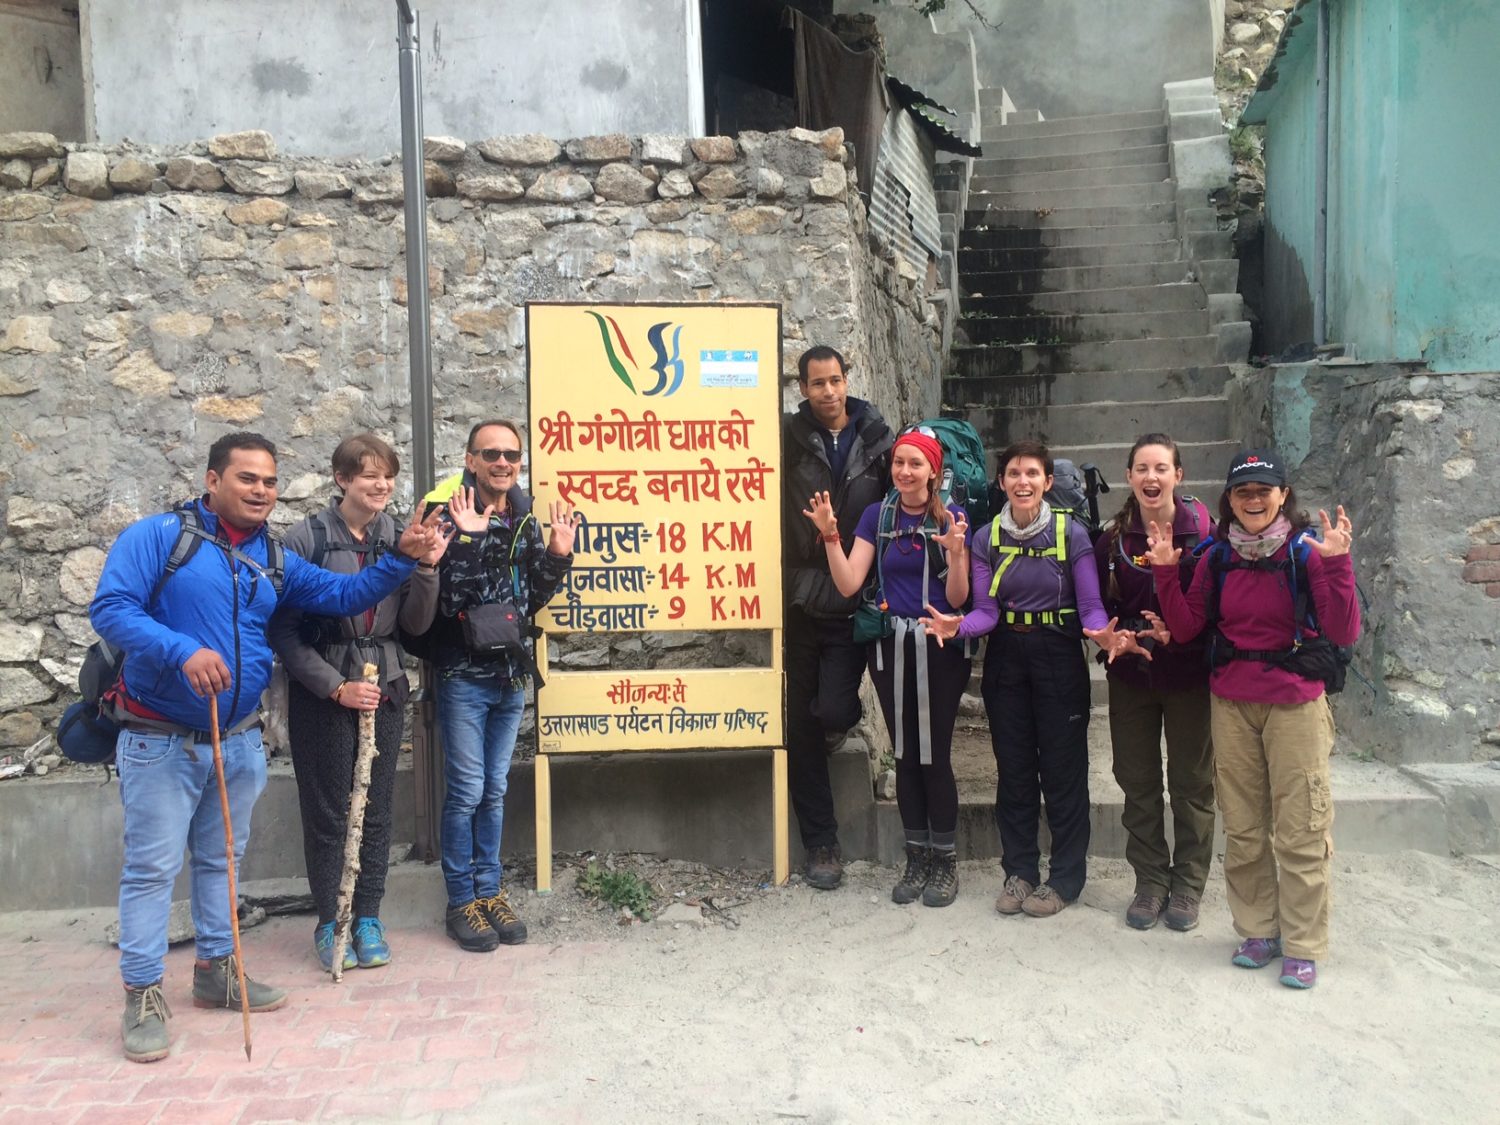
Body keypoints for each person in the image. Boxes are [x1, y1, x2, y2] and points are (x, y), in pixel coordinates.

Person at [91, 432, 446, 1064]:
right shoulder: (159, 538)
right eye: (247, 479)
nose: (261, 491)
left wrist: (402, 560)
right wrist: (182, 650)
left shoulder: (275, 558)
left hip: (238, 738)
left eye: (269, 481)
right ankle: (142, 994)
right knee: (150, 870)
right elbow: (112, 609)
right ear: (212, 480)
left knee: (222, 863)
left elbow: (341, 597)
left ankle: (216, 971)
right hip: (159, 738)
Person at [1147, 448, 1359, 989]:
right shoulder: (1220, 556)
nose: (1255, 499)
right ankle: (1258, 929)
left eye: (1264, 490)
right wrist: (1168, 574)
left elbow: (1342, 631)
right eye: (1244, 491)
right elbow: (1189, 626)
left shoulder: (1308, 553)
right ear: (1231, 500)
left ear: (1283, 495)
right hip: (1233, 701)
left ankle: (1304, 941)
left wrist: (1338, 564)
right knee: (1243, 826)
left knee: (1302, 827)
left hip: (1295, 702)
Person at [923, 440, 1126, 919]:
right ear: (1002, 482)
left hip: (1058, 653)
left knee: (1063, 771)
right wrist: (956, 628)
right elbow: (986, 613)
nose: (1022, 481)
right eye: (1013, 473)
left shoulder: (1072, 534)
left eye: (1032, 473)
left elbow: (1092, 604)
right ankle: (1019, 872)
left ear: (1047, 481)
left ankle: (1065, 878)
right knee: (1013, 771)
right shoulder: (985, 538)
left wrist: (1100, 632)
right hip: (1007, 658)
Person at [269, 433, 450, 972]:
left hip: (386, 683)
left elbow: (415, 627)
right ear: (342, 479)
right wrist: (334, 686)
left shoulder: (400, 535)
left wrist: (426, 570)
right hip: (324, 689)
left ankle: (368, 916)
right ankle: (332, 920)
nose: (381, 484)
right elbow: (284, 631)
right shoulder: (308, 539)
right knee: (327, 810)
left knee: (376, 807)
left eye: (387, 475)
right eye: (368, 474)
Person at [420, 419, 576, 953]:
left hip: (510, 676)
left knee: (495, 789)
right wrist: (468, 540)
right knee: (466, 792)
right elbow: (450, 602)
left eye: (511, 454)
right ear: (470, 460)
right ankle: (461, 900)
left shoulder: (525, 518)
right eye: (491, 454)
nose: (503, 463)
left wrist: (557, 553)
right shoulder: (447, 515)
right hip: (463, 676)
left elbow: (526, 601)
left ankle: (490, 892)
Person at [804, 427, 971, 907]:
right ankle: (915, 856)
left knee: (933, 754)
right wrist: (831, 535)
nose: (904, 471)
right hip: (890, 648)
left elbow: (959, 598)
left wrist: (956, 552)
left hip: (939, 647)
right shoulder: (879, 516)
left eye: (915, 463)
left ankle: (945, 862)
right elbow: (850, 581)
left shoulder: (952, 517)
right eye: (899, 462)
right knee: (904, 755)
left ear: (933, 471)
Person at [782, 345, 893, 890]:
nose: (829, 392)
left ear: (848, 380)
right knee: (799, 725)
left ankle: (833, 728)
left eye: (836, 380)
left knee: (833, 709)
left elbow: (899, 506)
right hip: (800, 595)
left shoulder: (877, 438)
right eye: (817, 383)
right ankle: (821, 843)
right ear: (802, 388)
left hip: (855, 591)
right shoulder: (787, 437)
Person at [1094, 434, 1216, 932]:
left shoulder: (1207, 537)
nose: (1151, 478)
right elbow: (1095, 604)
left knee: (1191, 784)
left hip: (1188, 676)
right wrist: (1111, 635)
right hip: (1130, 677)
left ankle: (1187, 885)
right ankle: (1150, 881)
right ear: (1129, 477)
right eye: (1141, 468)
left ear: (1178, 476)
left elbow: (1217, 607)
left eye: (1161, 468)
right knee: (1137, 780)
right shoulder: (1111, 541)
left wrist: (1181, 635)